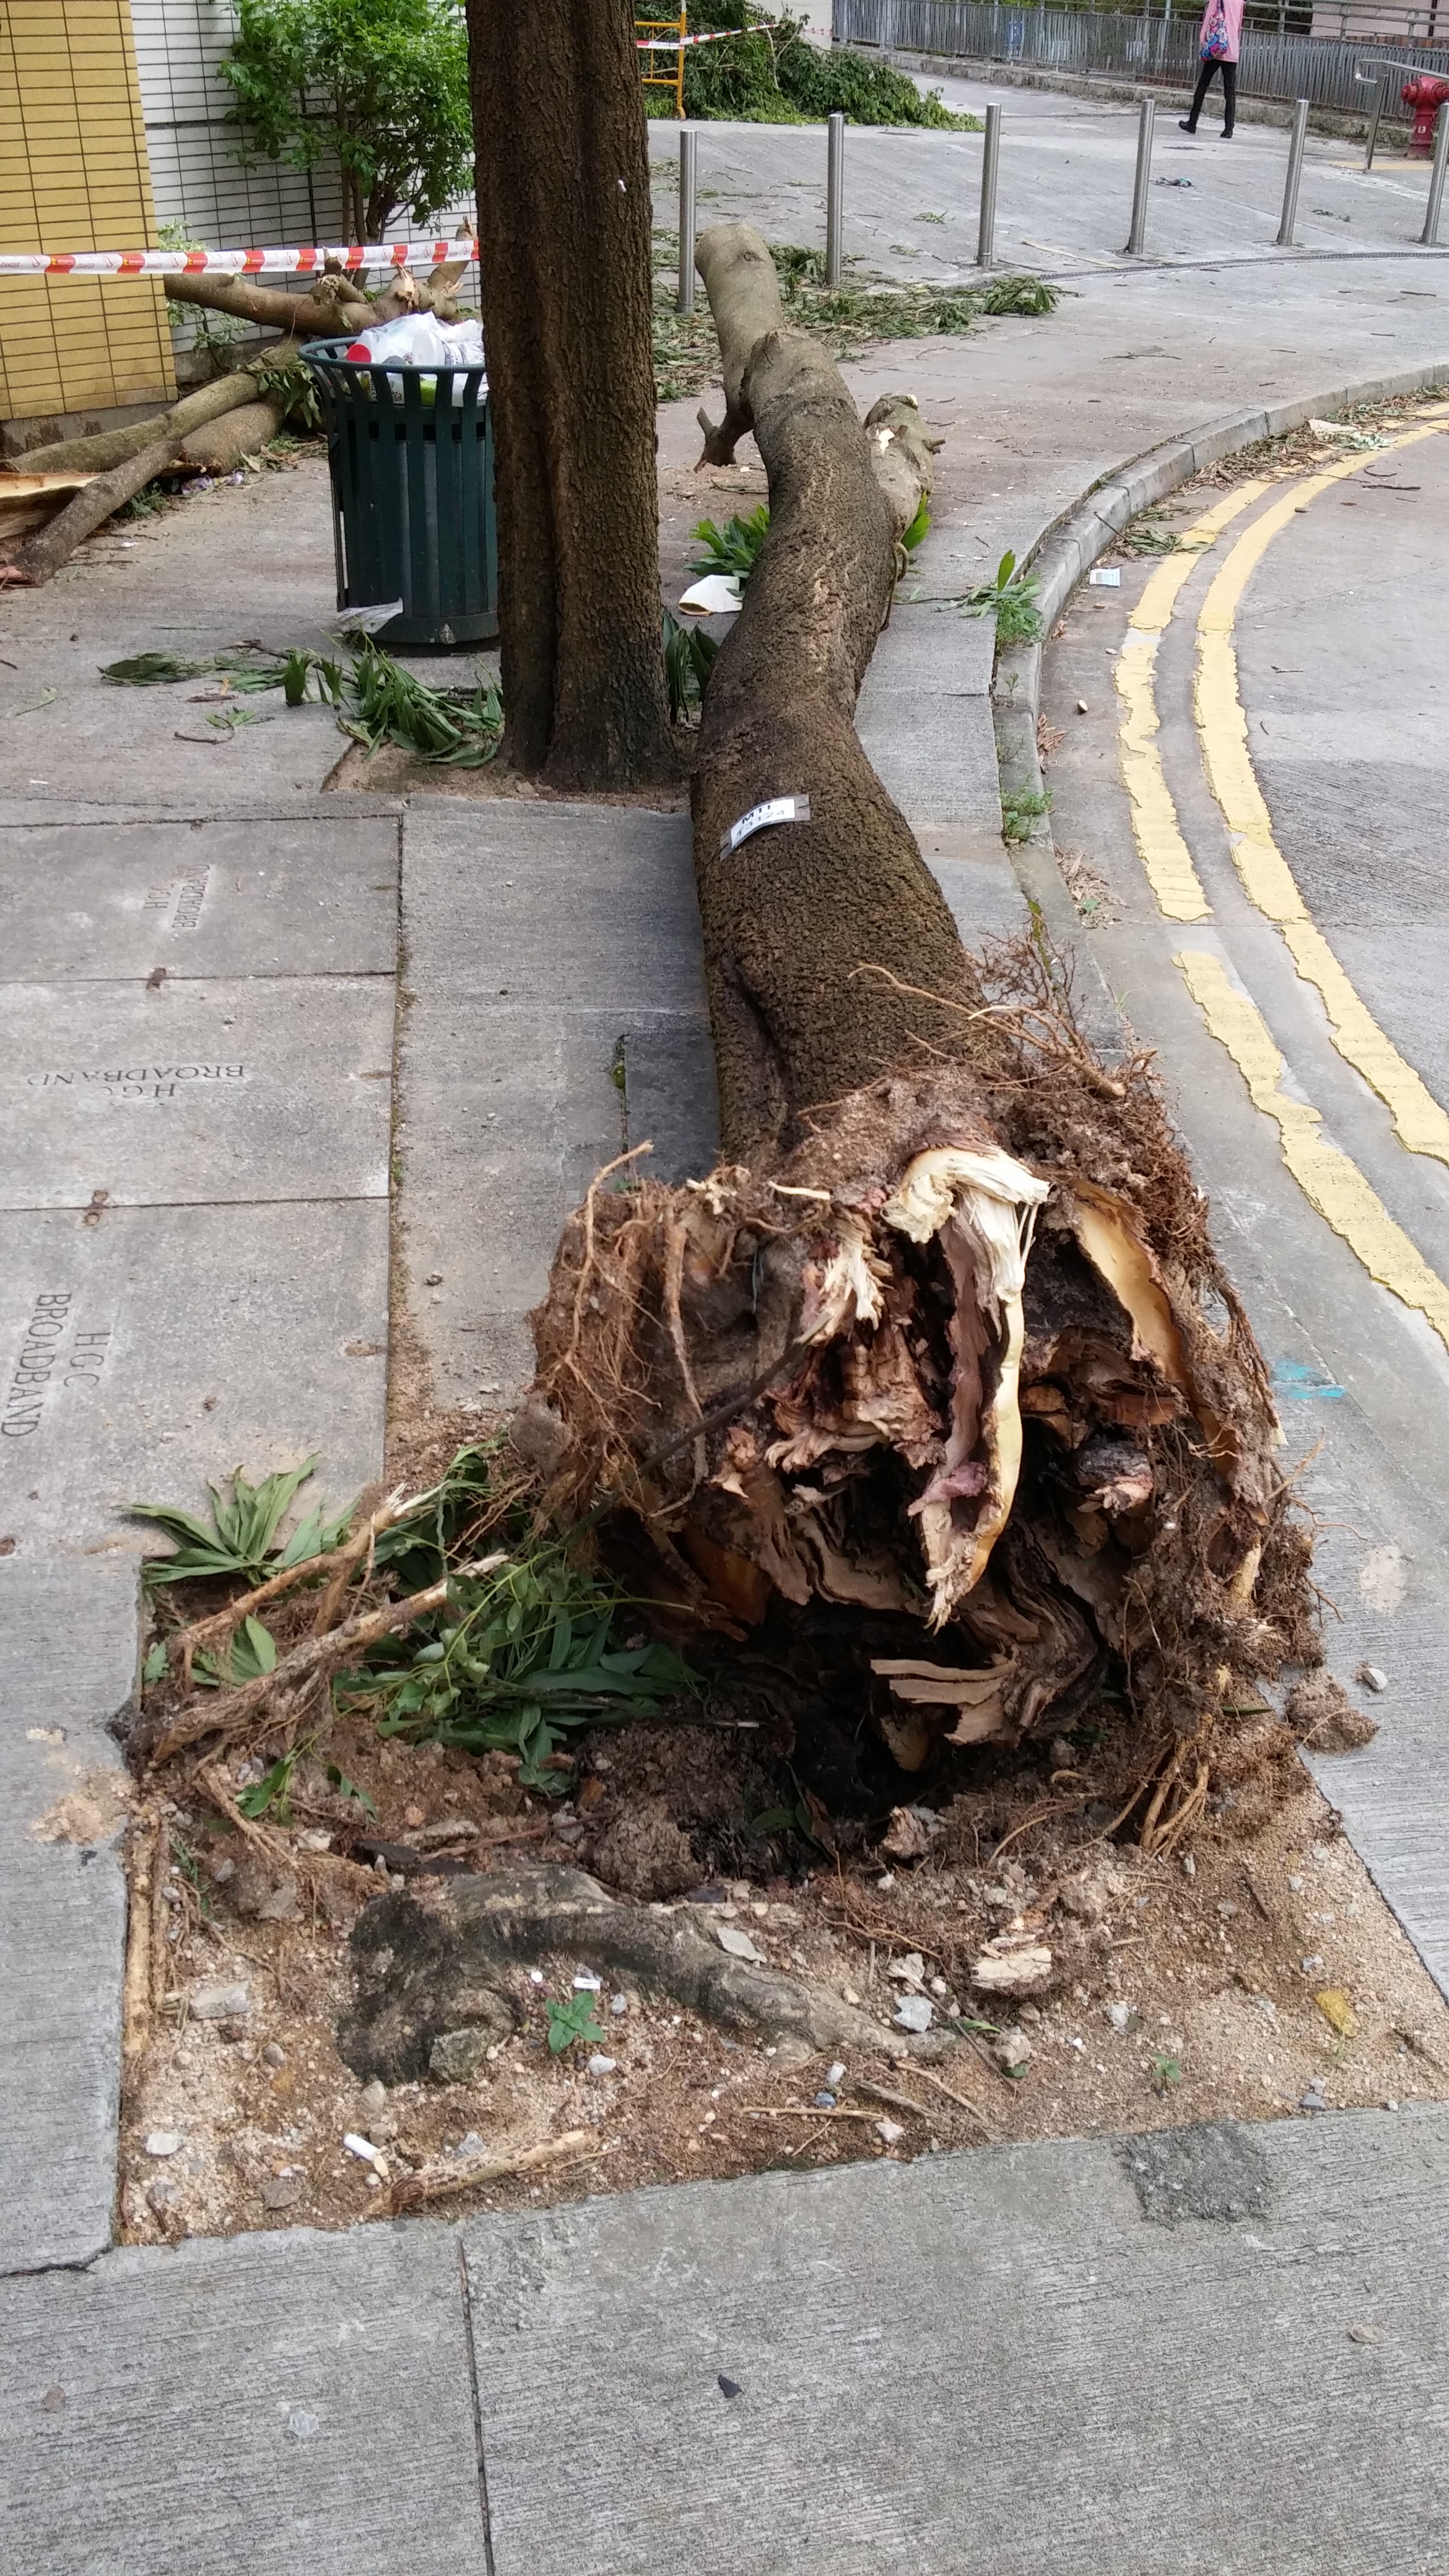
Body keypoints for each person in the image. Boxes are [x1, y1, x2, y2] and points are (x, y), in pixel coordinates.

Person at [1180, 0, 1244, 137]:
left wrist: (1203, 40)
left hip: (1215, 49)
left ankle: (1192, 123)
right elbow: (1239, 26)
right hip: (1231, 50)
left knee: (1202, 86)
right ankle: (1229, 128)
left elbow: (1209, 17)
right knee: (1230, 92)